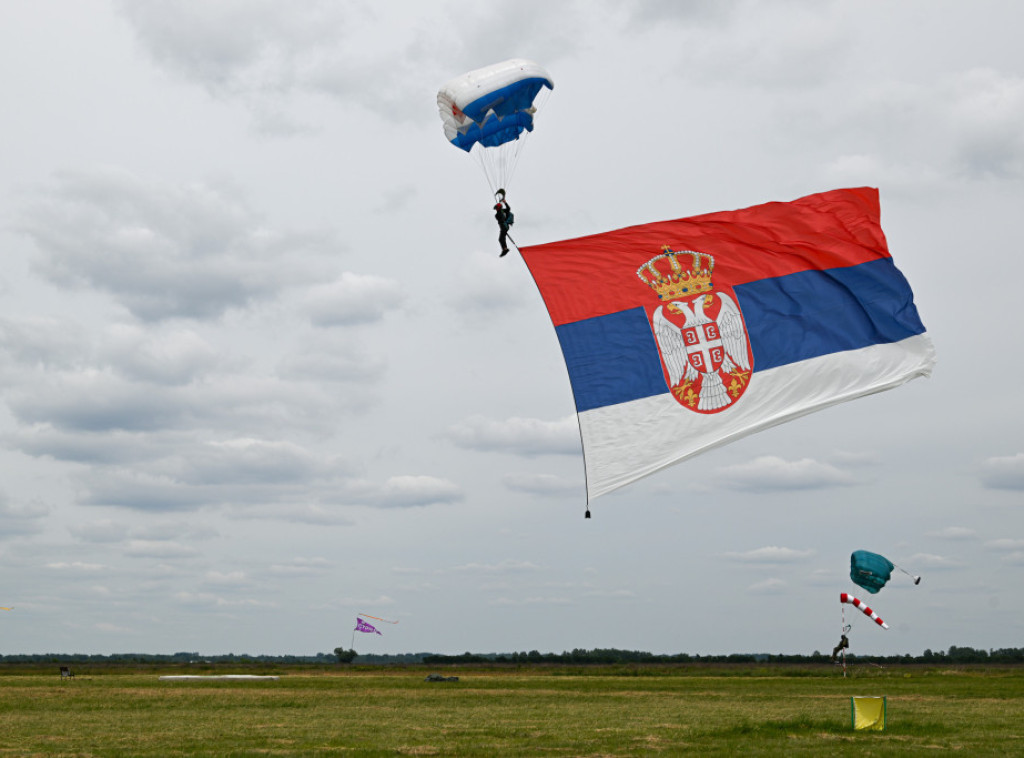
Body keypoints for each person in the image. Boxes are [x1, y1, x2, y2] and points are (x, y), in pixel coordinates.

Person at [493, 189, 513, 256]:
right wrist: (505, 202)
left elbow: (499, 216)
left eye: (496, 208)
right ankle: (505, 249)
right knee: (501, 239)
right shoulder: (502, 211)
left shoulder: (498, 214)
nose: (495, 209)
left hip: (504, 227)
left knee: (501, 239)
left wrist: (501, 204)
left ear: (498, 209)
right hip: (504, 227)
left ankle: (505, 249)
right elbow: (508, 209)